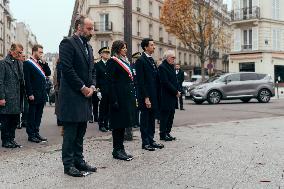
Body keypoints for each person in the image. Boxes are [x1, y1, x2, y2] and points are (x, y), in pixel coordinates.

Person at [59, 15, 97, 177]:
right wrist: (83, 88)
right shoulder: (67, 43)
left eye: (92, 28)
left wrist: (93, 86)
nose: (92, 32)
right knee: (70, 132)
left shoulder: (89, 48)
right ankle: (68, 165)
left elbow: (92, 71)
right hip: (73, 96)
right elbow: (67, 70)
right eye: (89, 28)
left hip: (86, 95)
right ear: (79, 28)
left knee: (81, 130)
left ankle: (79, 161)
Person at [106, 40, 135, 161]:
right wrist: (114, 100)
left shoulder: (124, 61)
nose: (125, 50)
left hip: (125, 97)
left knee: (123, 124)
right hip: (117, 98)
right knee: (118, 125)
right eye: (123, 48)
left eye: (126, 47)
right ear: (118, 49)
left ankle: (121, 148)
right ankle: (116, 150)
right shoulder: (112, 62)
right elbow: (110, 83)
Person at [135, 38, 164, 151]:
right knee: (145, 119)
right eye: (152, 45)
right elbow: (141, 82)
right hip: (146, 96)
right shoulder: (140, 61)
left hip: (154, 95)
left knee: (152, 119)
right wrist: (146, 97)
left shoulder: (151, 60)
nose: (154, 47)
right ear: (146, 47)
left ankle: (151, 140)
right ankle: (145, 142)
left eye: (154, 45)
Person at [23, 44, 51, 143]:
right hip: (33, 95)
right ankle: (31, 135)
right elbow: (27, 80)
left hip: (41, 94)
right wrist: (29, 93)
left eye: (42, 52)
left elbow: (48, 73)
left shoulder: (40, 63)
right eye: (40, 52)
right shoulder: (27, 63)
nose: (41, 54)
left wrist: (45, 63)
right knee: (32, 115)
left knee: (38, 115)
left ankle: (36, 132)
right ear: (34, 51)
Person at [0, 43, 24, 148]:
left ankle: (12, 139)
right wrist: (1, 97)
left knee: (14, 120)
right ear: (12, 51)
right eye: (19, 52)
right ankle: (5, 141)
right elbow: (0, 81)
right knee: (6, 121)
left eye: (21, 52)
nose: (20, 54)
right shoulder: (3, 63)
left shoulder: (19, 63)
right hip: (7, 97)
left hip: (17, 97)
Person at [158, 50, 180, 141]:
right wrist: (175, 92)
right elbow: (165, 82)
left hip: (172, 95)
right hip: (166, 95)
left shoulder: (171, 67)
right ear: (167, 58)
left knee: (171, 115)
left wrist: (178, 90)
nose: (174, 59)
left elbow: (175, 80)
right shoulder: (162, 67)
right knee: (165, 116)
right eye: (172, 57)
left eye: (174, 58)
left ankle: (168, 132)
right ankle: (163, 134)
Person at [95, 47, 111, 132]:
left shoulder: (110, 64)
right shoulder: (97, 65)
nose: (107, 54)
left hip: (109, 89)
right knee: (102, 108)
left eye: (108, 53)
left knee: (108, 108)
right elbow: (96, 78)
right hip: (102, 89)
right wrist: (98, 91)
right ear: (101, 54)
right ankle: (101, 124)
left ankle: (106, 123)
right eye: (105, 53)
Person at [131, 52, 141, 128]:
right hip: (133, 87)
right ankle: (133, 122)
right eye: (137, 58)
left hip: (139, 88)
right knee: (134, 106)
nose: (138, 60)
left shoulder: (140, 67)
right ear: (134, 59)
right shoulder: (132, 67)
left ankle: (137, 121)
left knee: (138, 106)